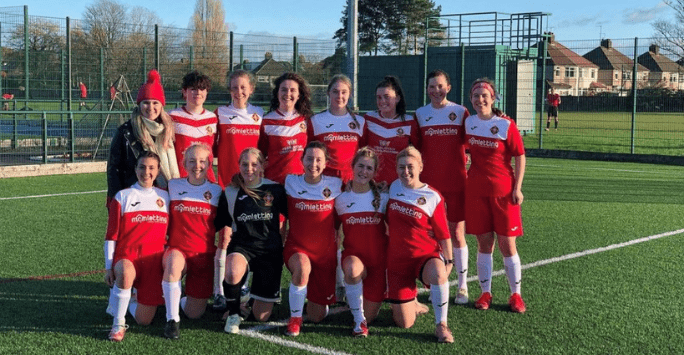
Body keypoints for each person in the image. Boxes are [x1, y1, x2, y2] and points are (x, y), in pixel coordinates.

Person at [464, 78, 526, 313]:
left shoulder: (506, 124)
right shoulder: (468, 122)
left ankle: (516, 295)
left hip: (503, 192)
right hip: (476, 192)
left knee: (507, 245)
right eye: (475, 95)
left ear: (492, 98)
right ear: (470, 99)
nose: (480, 100)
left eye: (484, 95)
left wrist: (517, 187)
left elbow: (520, 155)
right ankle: (485, 292)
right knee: (484, 244)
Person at [386, 146, 454, 343]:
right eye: (401, 167)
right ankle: (411, 302)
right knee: (404, 323)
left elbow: (443, 234)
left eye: (410, 167)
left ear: (421, 167)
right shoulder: (392, 187)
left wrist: (448, 261)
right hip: (397, 263)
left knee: (439, 273)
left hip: (424, 256)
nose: (405, 172)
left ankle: (441, 325)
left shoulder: (433, 197)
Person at [216, 147, 288, 333]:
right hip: (242, 247)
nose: (249, 169)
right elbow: (219, 222)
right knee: (231, 271)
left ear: (262, 166)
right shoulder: (231, 192)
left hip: (269, 251)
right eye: (245, 164)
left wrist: (284, 240)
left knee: (261, 316)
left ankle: (248, 300)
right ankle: (233, 314)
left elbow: (291, 216)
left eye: (254, 164)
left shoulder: (275, 189)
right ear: (239, 166)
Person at [414, 69, 470, 305]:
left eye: (440, 86)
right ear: (426, 89)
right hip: (429, 187)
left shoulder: (460, 112)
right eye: (431, 87)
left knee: (457, 234)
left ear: (448, 87)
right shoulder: (420, 114)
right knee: (432, 234)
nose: (436, 91)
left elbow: (473, 140)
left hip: (456, 182)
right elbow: (415, 150)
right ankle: (438, 279)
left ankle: (463, 285)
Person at [104, 151, 170, 342]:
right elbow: (111, 236)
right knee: (124, 271)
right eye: (142, 167)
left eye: (151, 168)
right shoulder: (123, 196)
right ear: (135, 169)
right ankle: (118, 323)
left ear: (158, 171)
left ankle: (120, 300)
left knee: (144, 320)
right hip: (127, 257)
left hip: (153, 262)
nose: (146, 172)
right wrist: (109, 267)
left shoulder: (166, 197)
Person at [162, 144, 223, 339]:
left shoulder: (217, 191)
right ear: (184, 164)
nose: (197, 165)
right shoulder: (173, 186)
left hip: (203, 257)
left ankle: (174, 299)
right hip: (177, 250)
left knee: (194, 314)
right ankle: (172, 321)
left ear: (209, 164)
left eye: (202, 161)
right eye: (192, 161)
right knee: (173, 265)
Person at [283, 141, 343, 336]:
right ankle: (295, 319)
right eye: (309, 159)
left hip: (325, 255)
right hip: (297, 248)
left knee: (317, 316)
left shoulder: (335, 185)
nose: (313, 164)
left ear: (326, 163)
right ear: (301, 160)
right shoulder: (290, 182)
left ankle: (309, 296)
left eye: (319, 160)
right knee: (302, 268)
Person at [334, 147, 389, 337]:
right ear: (352, 166)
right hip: (354, 259)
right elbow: (332, 233)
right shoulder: (340, 199)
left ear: (374, 172)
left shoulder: (383, 198)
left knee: (373, 315)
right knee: (351, 268)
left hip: (378, 265)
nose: (363, 172)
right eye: (360, 166)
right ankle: (359, 323)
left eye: (369, 168)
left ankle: (411, 304)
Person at [106, 69, 178, 207]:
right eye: (146, 102)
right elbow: (114, 170)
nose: (151, 107)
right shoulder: (126, 132)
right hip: (135, 198)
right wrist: (115, 200)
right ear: (139, 105)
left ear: (161, 106)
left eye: (155, 103)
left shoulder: (169, 130)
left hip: (165, 196)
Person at [307, 74, 365, 184]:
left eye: (344, 92)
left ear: (350, 94)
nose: (339, 95)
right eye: (335, 91)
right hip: (324, 179)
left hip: (352, 180)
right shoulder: (316, 120)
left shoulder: (360, 122)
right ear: (328, 93)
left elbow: (364, 153)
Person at [363, 76, 419, 186]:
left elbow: (417, 155)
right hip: (371, 184)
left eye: (386, 97)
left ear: (397, 98)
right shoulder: (368, 119)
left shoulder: (409, 122)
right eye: (379, 97)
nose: (382, 101)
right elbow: (361, 151)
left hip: (399, 184)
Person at [259, 72, 312, 184]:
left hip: (301, 183)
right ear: (277, 93)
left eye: (293, 90)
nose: (288, 93)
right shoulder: (266, 121)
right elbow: (260, 157)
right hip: (274, 183)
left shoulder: (307, 120)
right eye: (284, 89)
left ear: (298, 95)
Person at [215, 70, 263, 188]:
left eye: (243, 87)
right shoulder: (220, 113)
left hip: (252, 175)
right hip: (228, 177)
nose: (239, 92)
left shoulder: (260, 113)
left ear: (251, 89)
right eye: (234, 88)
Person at [168, 71, 218, 182]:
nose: (198, 92)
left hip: (207, 178)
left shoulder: (213, 118)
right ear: (184, 92)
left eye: (202, 89)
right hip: (180, 178)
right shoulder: (172, 116)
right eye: (193, 89)